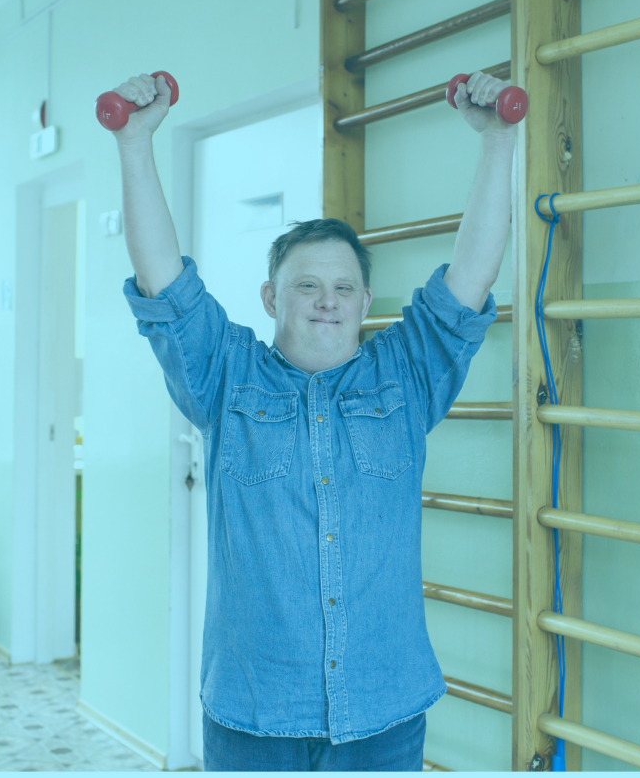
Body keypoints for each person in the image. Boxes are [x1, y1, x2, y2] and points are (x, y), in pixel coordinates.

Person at [112, 70, 515, 771]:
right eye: (306, 285)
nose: (324, 301)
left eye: (341, 287)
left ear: (364, 300)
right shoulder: (224, 375)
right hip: (253, 712)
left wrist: (500, 141)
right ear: (272, 296)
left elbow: (472, 276)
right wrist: (134, 142)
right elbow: (164, 283)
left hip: (382, 712)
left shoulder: (407, 376)